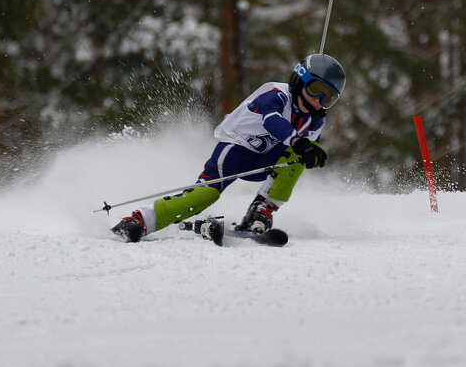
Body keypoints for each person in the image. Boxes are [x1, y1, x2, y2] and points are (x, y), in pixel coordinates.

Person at [111, 53, 346, 243]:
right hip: (235, 149)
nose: (319, 101)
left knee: (300, 153)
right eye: (316, 90)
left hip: (265, 160)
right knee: (205, 194)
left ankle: (261, 209)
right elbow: (272, 121)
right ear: (300, 80)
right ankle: (140, 220)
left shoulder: (315, 119)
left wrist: (309, 151)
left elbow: (300, 148)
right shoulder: (277, 94)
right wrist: (299, 142)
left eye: (328, 98)